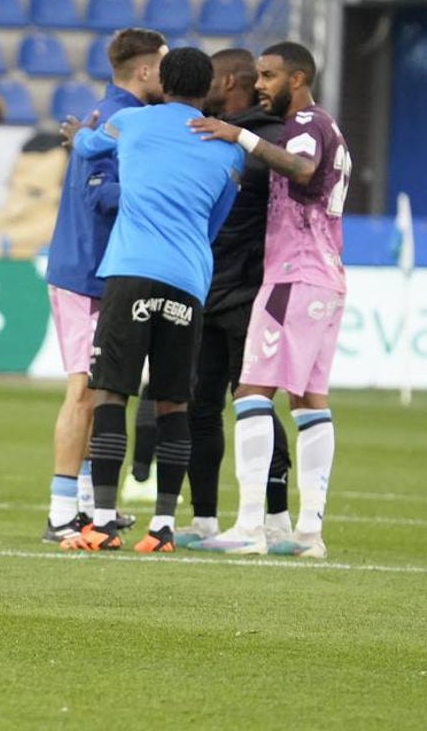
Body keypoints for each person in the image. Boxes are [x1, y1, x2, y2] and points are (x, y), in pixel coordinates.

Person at [58, 47, 243, 553]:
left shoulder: (134, 124)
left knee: (112, 393)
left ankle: (100, 522)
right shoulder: (227, 148)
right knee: (173, 402)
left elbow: (90, 147)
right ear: (206, 90)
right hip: (188, 277)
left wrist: (76, 137)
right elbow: (216, 218)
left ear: (162, 82)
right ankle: (162, 527)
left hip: (131, 271)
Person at [188, 42, 350, 559]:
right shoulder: (331, 126)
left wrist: (239, 134)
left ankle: (251, 527)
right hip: (327, 278)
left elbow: (301, 170)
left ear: (297, 78)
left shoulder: (303, 122)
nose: (259, 84)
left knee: (251, 392)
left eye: (269, 75)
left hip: (294, 275)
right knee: (307, 400)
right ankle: (307, 534)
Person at [41, 27, 166, 546]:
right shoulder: (119, 119)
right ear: (142, 70)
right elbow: (100, 196)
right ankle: (60, 511)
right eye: (162, 64)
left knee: (105, 388)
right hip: (86, 273)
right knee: (85, 390)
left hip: (97, 271)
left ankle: (90, 504)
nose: (167, 72)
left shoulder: (110, 115)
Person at [175, 49, 292, 547]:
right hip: (210, 287)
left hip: (252, 290)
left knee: (255, 403)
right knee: (201, 406)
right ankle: (205, 519)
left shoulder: (265, 138)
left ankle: (277, 517)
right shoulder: (219, 131)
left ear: (227, 81)